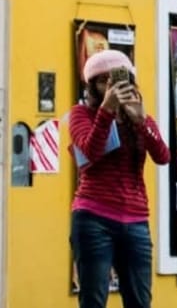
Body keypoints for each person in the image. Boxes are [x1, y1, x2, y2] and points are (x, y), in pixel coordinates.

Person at [68, 49, 170, 308]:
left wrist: (142, 121)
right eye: (104, 81)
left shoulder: (139, 115)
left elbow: (163, 156)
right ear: (92, 86)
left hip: (136, 220)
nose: (111, 87)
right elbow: (90, 151)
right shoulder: (82, 114)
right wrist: (106, 111)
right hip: (94, 218)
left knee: (139, 301)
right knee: (93, 299)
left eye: (118, 80)